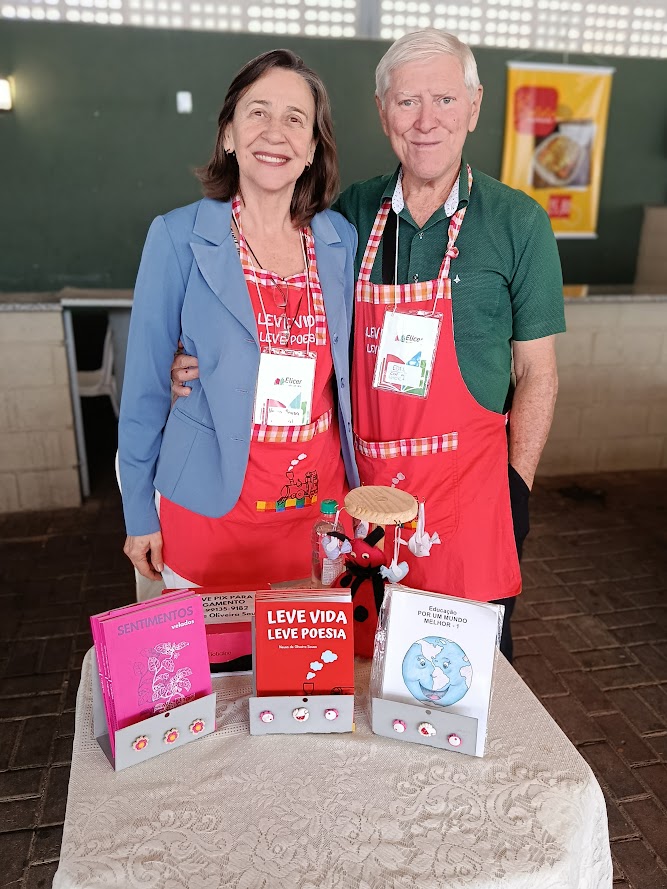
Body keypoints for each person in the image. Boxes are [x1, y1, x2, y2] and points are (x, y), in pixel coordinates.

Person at [171, 30, 565, 660]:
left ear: (474, 106)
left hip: (470, 500)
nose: (426, 121)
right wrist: (191, 359)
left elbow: (537, 372)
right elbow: (272, 298)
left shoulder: (519, 223)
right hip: (361, 501)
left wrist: (518, 486)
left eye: (444, 99)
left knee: (455, 673)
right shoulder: (347, 216)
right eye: (408, 102)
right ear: (383, 113)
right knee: (356, 666)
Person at [119, 49, 359, 590]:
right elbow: (144, 388)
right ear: (228, 133)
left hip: (318, 512)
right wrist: (137, 510)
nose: (275, 133)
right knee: (213, 649)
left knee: (307, 647)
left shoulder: (339, 241)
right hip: (210, 511)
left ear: (312, 148)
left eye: (295, 119)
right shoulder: (177, 237)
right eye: (258, 112)